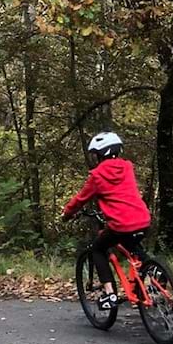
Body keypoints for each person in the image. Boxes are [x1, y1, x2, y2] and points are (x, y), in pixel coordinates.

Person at [62, 131, 151, 309]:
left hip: (120, 224)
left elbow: (80, 199)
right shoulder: (127, 167)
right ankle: (154, 274)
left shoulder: (97, 176)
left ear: (100, 154)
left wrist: (67, 214)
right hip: (143, 218)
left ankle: (110, 294)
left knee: (97, 249)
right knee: (134, 246)